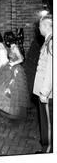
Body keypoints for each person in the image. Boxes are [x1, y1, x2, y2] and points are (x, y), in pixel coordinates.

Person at [33, 14, 53, 153]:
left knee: (49, 124)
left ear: (46, 26)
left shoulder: (51, 42)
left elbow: (51, 69)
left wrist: (44, 91)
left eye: (40, 25)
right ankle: (46, 147)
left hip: (47, 93)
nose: (38, 28)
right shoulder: (48, 41)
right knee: (45, 122)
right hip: (43, 91)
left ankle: (49, 152)